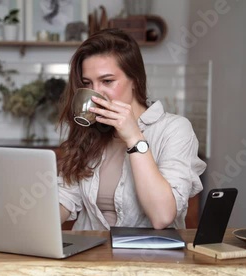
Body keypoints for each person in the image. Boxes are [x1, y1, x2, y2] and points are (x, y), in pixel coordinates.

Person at [57, 28, 206, 230]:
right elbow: (66, 198)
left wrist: (134, 138)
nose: (94, 93)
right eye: (87, 83)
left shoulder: (175, 129)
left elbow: (162, 217)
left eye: (107, 81)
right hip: (90, 255)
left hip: (146, 258)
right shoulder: (90, 131)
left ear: (135, 80)